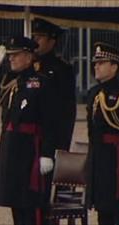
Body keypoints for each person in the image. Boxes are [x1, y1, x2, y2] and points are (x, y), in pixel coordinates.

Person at [0, 36, 59, 225]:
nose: (10, 59)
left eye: (16, 55)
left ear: (29, 57)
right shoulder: (9, 80)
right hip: (11, 146)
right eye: (9, 55)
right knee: (15, 204)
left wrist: (47, 153)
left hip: (30, 149)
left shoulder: (41, 83)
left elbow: (51, 121)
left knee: (30, 206)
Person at [85, 42, 119, 225]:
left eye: (101, 63)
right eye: (95, 63)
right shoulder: (94, 92)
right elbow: (91, 130)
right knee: (102, 207)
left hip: (117, 158)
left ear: (114, 66)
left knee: (117, 209)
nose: (96, 66)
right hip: (99, 156)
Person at [32, 18, 76, 152]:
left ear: (52, 40)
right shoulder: (27, 66)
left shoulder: (61, 70)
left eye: (40, 37)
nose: (35, 41)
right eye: (34, 36)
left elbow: (65, 112)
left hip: (49, 138)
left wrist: (60, 146)